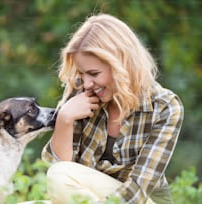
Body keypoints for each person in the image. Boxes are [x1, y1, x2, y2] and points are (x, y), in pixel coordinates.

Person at [41, 13, 184, 204]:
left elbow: (138, 189)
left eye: (94, 73)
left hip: (142, 200)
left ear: (122, 64)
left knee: (60, 174)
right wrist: (65, 119)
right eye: (82, 74)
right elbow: (57, 180)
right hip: (87, 198)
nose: (87, 83)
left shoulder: (165, 107)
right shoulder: (81, 92)